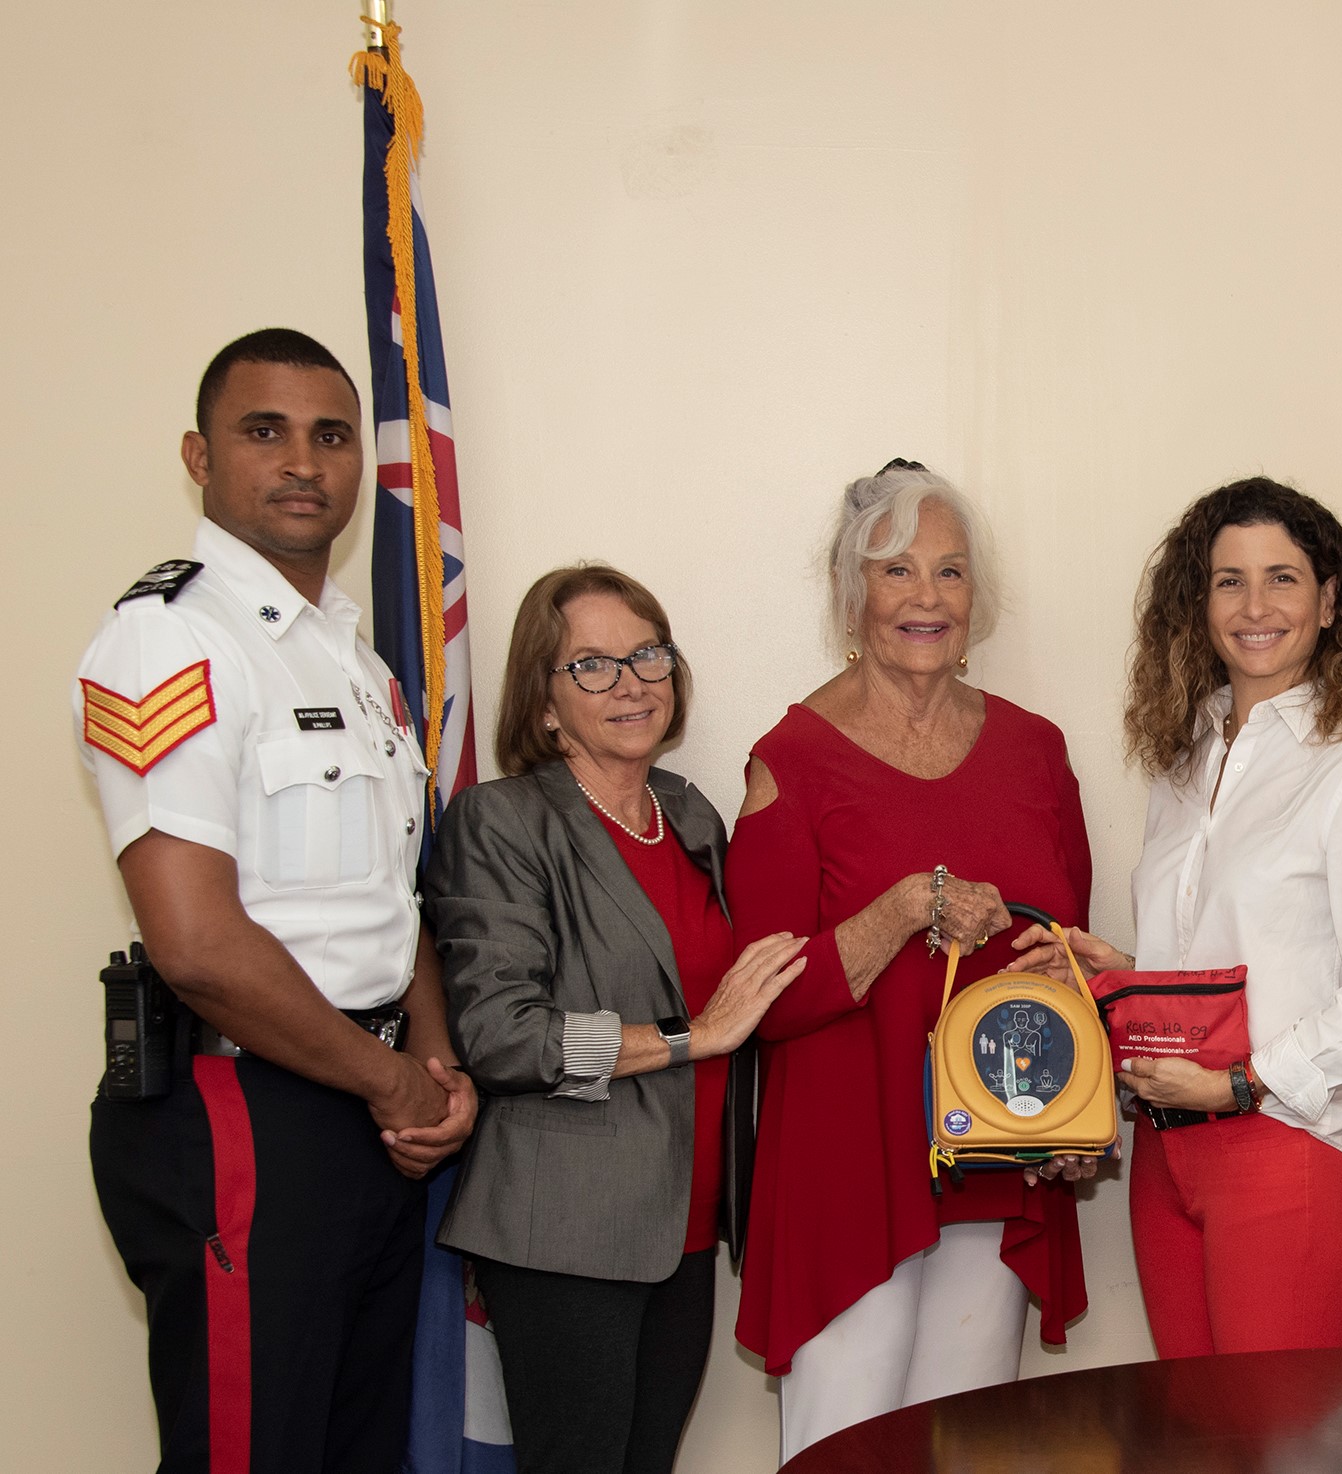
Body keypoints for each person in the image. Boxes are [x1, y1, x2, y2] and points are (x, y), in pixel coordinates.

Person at [74, 328, 477, 1473]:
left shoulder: (351, 657)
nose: (304, 460)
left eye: (331, 435)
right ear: (201, 456)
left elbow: (387, 900)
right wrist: (393, 1078)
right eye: (266, 431)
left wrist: (434, 1066)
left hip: (368, 1108)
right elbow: (196, 943)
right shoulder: (170, 638)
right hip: (245, 1105)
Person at [1011, 477, 1342, 1358]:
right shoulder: (1186, 764)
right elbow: (1239, 964)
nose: (1254, 606)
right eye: (1228, 580)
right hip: (1167, 1151)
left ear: (1329, 602)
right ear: (1198, 603)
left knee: (1279, 1440)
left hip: (1287, 1148)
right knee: (1193, 1440)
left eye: (1282, 578)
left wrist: (1243, 1084)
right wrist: (1117, 975)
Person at [726, 460, 1095, 1463]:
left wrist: (1078, 1095)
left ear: (978, 594)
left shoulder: (1037, 751)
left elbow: (1065, 955)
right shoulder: (790, 761)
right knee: (847, 1447)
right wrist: (898, 910)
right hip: (849, 1165)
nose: (925, 598)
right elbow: (759, 1003)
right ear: (853, 591)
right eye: (896, 572)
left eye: (950, 571)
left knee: (971, 1448)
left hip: (997, 1154)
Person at [421, 566, 807, 1474]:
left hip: (685, 1221)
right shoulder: (501, 821)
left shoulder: (689, 815)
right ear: (545, 703)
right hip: (565, 1228)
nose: (630, 682)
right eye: (590, 665)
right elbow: (503, 1035)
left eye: (646, 654)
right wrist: (692, 1038)